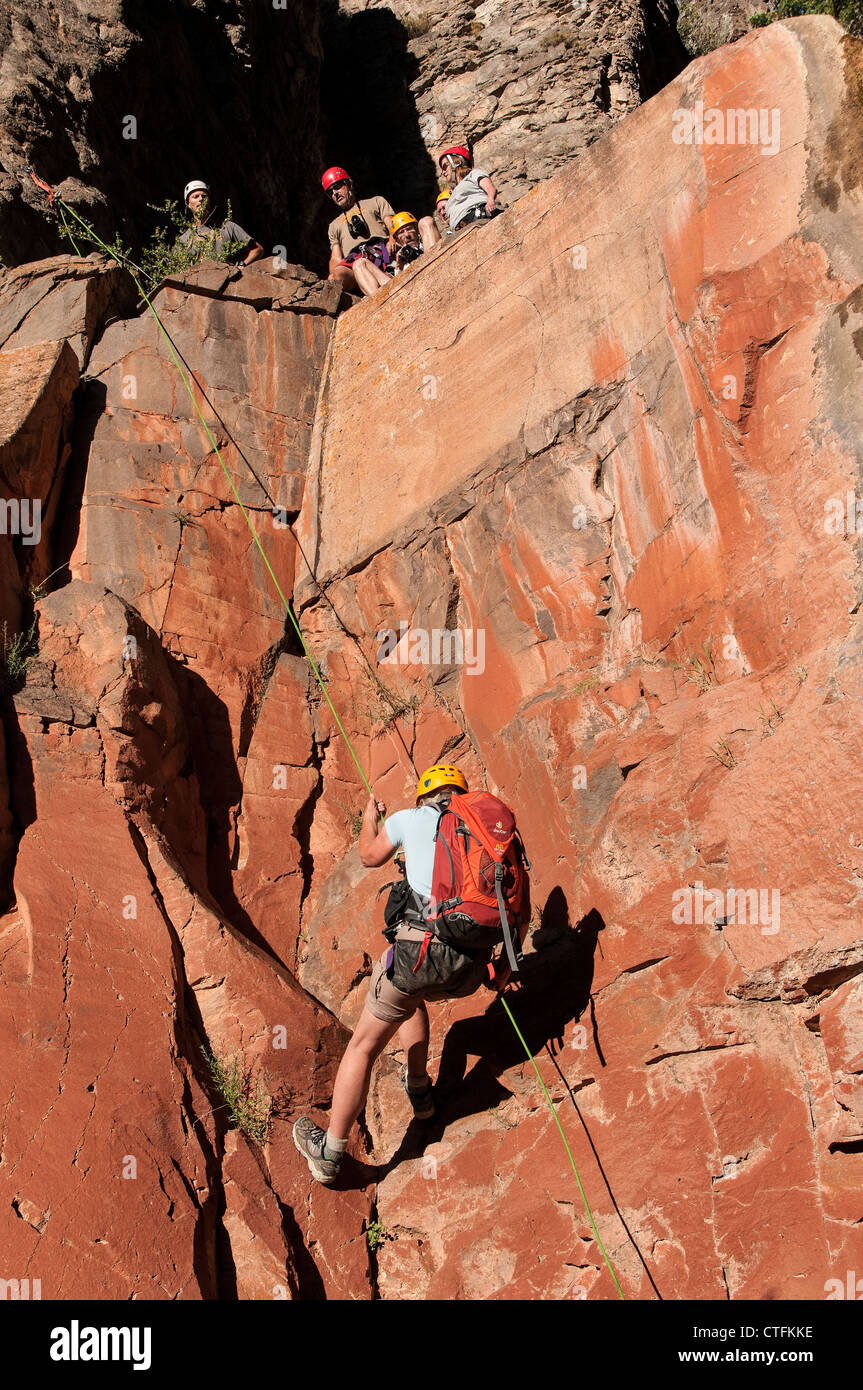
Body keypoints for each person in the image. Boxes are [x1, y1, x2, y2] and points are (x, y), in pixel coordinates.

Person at [293, 763, 521, 1185]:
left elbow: (368, 856)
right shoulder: (486, 831)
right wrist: (503, 969)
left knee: (363, 1046)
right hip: (469, 968)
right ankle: (421, 1093)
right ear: (461, 796)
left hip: (419, 960)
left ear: (423, 796)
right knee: (410, 1000)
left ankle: (329, 1153)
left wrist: (369, 820)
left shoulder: (407, 819)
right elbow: (515, 902)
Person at [322, 166, 397, 298]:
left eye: (338, 186)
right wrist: (333, 276)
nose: (335, 193)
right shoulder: (333, 226)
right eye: (330, 192)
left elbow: (392, 222)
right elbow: (335, 256)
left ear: (349, 184)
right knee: (335, 277)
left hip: (381, 249)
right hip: (353, 260)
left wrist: (392, 239)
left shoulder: (376, 202)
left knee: (361, 264)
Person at [350, 210, 441, 294]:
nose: (407, 235)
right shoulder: (396, 259)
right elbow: (389, 281)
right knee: (359, 264)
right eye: (401, 232)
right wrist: (398, 267)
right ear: (397, 240)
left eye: (409, 229)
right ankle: (380, 304)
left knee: (426, 220)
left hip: (431, 269)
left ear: (416, 230)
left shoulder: (428, 241)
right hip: (403, 291)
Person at [178, 180, 264, 266]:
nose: (200, 199)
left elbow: (257, 249)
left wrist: (242, 265)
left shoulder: (228, 227)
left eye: (204, 196)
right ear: (188, 203)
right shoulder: (184, 240)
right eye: (195, 196)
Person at [438, 146, 498, 233]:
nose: (443, 172)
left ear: (456, 162)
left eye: (444, 166)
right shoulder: (452, 193)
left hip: (476, 217)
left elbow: (490, 187)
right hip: (459, 229)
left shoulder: (473, 174)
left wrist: (490, 200)